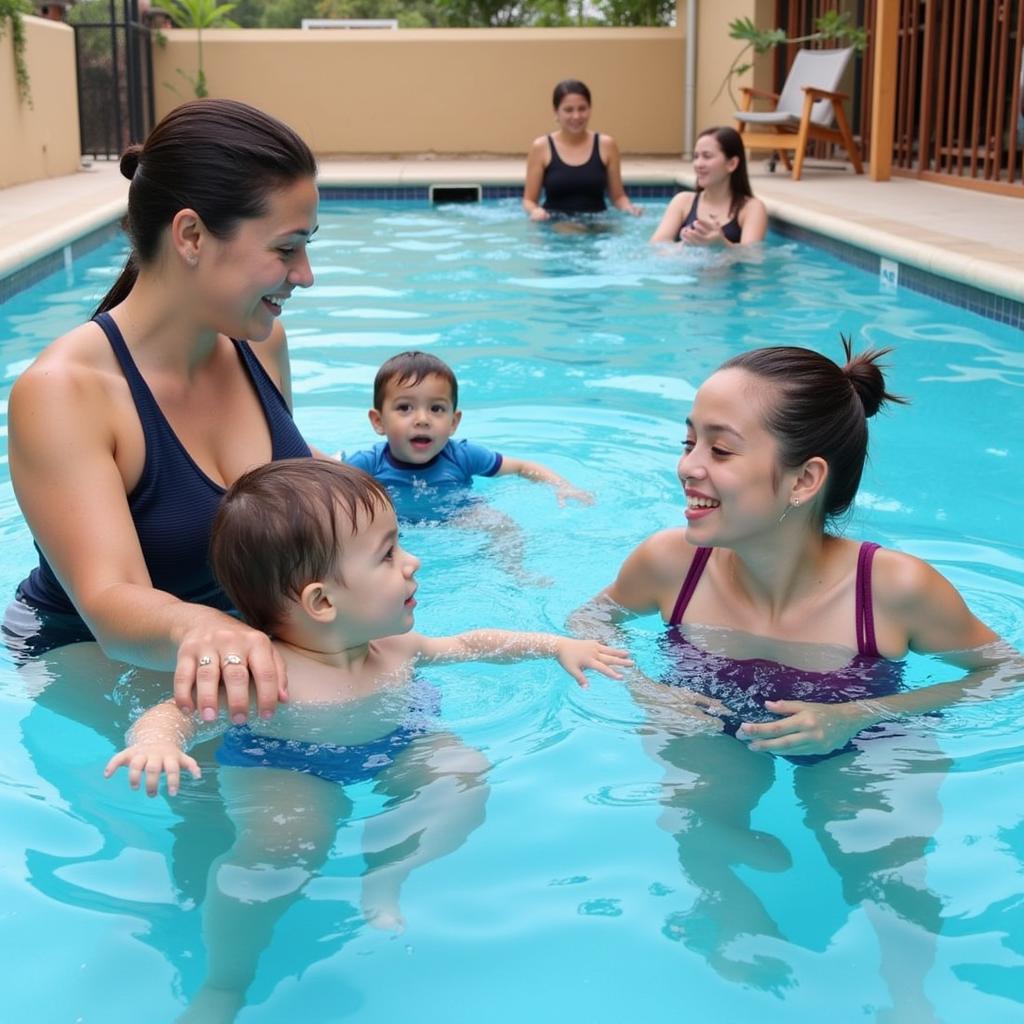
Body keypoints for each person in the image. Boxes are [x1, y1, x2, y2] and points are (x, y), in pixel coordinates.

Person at [572, 339, 1020, 1009]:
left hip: (863, 732)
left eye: (719, 451)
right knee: (699, 809)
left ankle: (909, 998)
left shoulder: (890, 588)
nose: (686, 467)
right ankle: (729, 926)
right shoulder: (671, 564)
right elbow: (589, 623)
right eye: (688, 441)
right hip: (711, 715)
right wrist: (651, 691)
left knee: (885, 854)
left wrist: (858, 716)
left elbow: (1006, 675)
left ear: (804, 480)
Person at [105, 459, 629, 1018]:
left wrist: (554, 646)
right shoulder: (270, 675)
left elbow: (470, 644)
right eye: (388, 555)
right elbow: (178, 710)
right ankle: (226, 981)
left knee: (463, 773)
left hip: (398, 739)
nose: (412, 562)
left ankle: (387, 875)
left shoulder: (394, 648)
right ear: (322, 602)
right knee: (281, 848)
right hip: (285, 765)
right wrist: (157, 741)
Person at [5, 98, 320, 726]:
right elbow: (110, 603)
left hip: (231, 648)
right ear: (192, 236)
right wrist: (216, 632)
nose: (305, 276)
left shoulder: (260, 343)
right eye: (287, 249)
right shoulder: (66, 391)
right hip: (88, 665)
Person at [345, 350, 593, 582]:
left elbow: (520, 466)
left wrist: (563, 486)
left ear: (454, 422)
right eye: (404, 408)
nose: (422, 420)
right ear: (378, 421)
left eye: (436, 408)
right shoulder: (367, 464)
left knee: (504, 526)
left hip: (458, 515)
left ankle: (515, 571)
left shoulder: (463, 455)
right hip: (395, 524)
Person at [523, 79, 642, 220]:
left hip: (598, 225)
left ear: (590, 109)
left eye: (582, 109)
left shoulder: (607, 145)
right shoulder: (541, 147)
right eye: (568, 110)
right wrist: (535, 211)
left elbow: (618, 197)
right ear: (556, 112)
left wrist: (629, 208)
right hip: (555, 225)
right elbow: (529, 200)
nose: (576, 116)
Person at [650, 126, 767, 246]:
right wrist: (687, 246)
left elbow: (752, 257)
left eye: (707, 156)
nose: (698, 164)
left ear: (732, 164)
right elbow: (656, 247)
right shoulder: (683, 202)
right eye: (696, 156)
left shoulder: (750, 208)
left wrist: (721, 245)